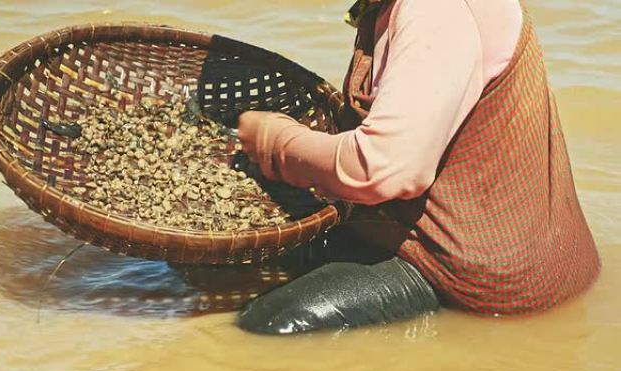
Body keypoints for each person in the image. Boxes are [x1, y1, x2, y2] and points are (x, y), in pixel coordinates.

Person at [233, 0, 601, 334]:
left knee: (268, 322)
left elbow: (380, 169)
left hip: (475, 277)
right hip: (466, 242)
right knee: (238, 264)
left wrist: (272, 140)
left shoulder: (440, 12)